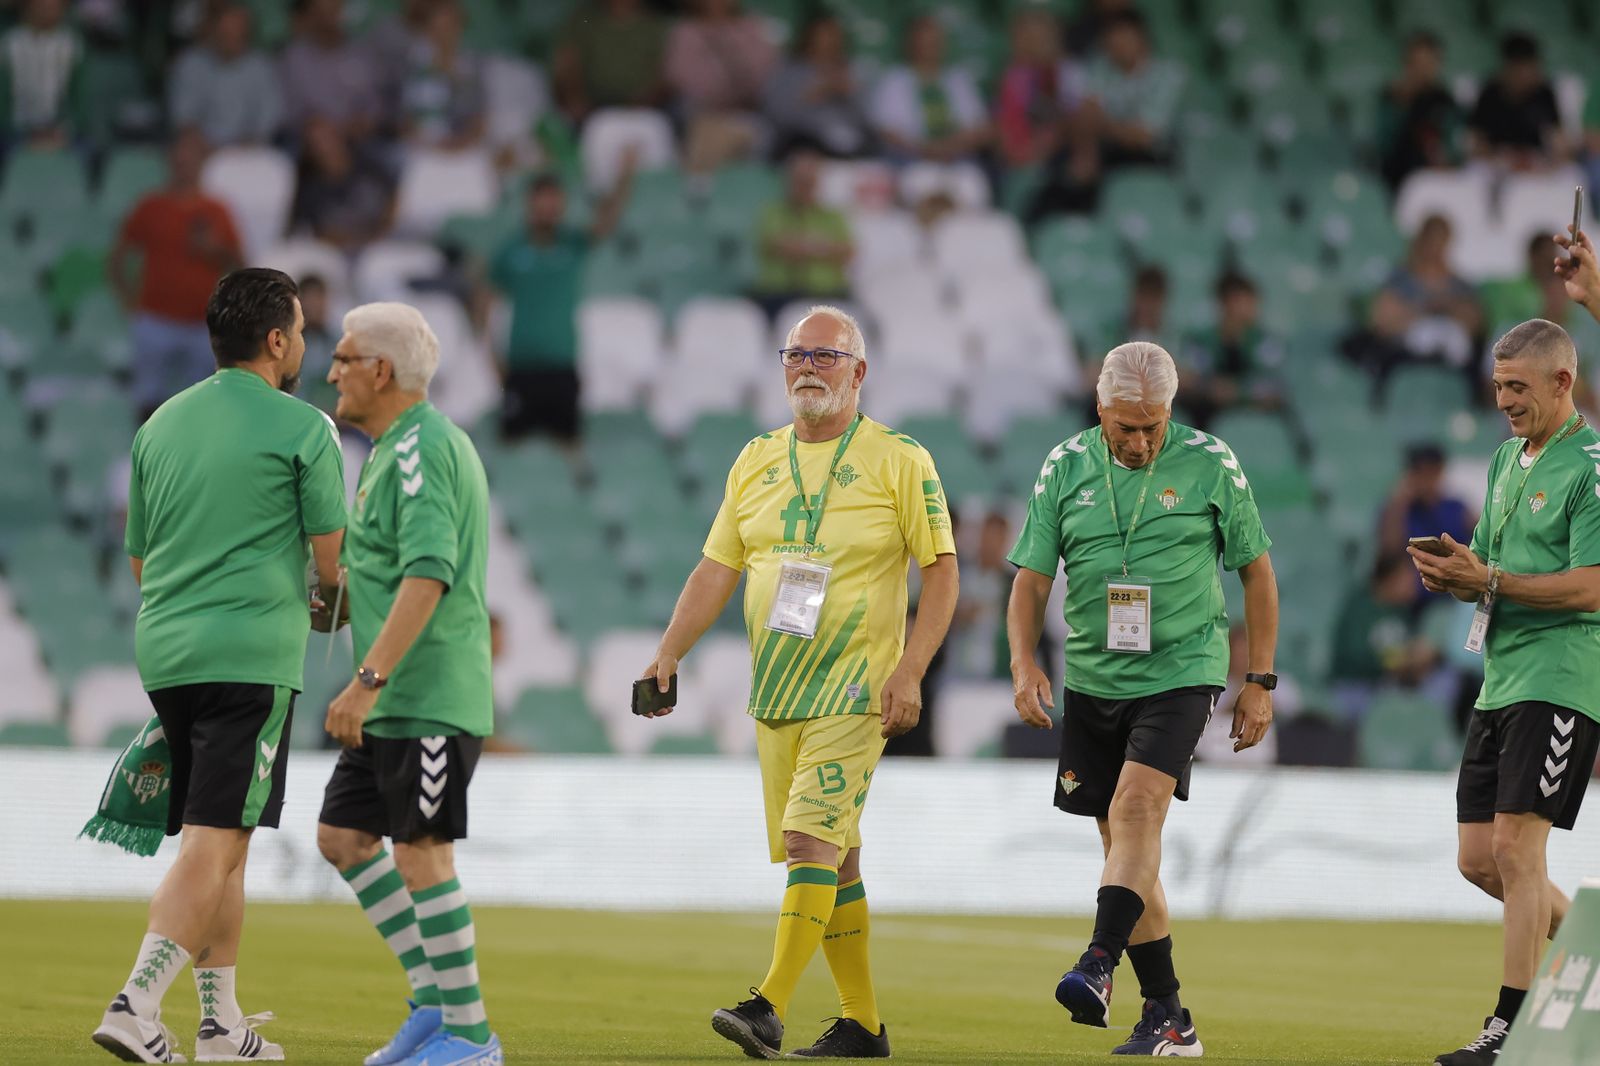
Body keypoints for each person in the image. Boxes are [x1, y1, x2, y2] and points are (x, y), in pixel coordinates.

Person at [639, 305, 958, 1059]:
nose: (809, 368)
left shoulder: (899, 458)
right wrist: (669, 651)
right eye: (796, 355)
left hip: (856, 689)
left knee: (809, 836)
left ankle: (768, 1005)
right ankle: (863, 1026)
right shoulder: (754, 459)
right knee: (837, 857)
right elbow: (718, 567)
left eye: (826, 355)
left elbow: (942, 573)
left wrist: (911, 669)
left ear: (860, 370)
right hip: (777, 692)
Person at [92, 268, 347, 1064]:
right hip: (252, 652)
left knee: (228, 839)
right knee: (214, 837)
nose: (307, 343)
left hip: (165, 647)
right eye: (302, 330)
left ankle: (220, 1025)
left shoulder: (159, 425)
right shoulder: (306, 429)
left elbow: (140, 560)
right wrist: (324, 609)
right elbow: (333, 572)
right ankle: (135, 1002)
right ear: (276, 341)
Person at [1005, 341, 1277, 1056]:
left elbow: (1257, 572)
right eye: (1126, 427)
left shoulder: (1211, 462)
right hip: (1093, 678)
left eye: (1153, 425)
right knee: (1123, 842)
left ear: (1170, 411)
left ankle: (1098, 964)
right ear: (1100, 411)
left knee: (1134, 812)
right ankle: (1169, 1015)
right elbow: (1031, 580)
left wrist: (1260, 680)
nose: (1140, 440)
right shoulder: (1066, 466)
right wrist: (1022, 660)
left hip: (1182, 671)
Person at [1408, 319, 1600, 1066]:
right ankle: (1589, 945)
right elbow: (1488, 563)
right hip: (1500, 682)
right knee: (1478, 860)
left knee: (1520, 850)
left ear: (1562, 382)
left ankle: (1509, 1028)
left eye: (1518, 387)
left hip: (1561, 679)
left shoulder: (1590, 465)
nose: (1504, 402)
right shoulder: (1502, 461)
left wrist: (1485, 580)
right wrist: (1457, 570)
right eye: (1497, 387)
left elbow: (1591, 585)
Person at [314, 301, 499, 1066]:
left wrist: (367, 679)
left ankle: (471, 1037)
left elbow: (430, 572)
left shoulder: (422, 451)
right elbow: (389, 577)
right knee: (344, 838)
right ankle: (434, 1005)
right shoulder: (393, 452)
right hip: (396, 699)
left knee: (422, 853)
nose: (331, 372)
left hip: (424, 694)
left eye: (344, 358)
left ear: (380, 371)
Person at [486, 153, 635, 443]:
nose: (548, 209)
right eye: (542, 201)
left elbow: (605, 224)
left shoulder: (572, 245)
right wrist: (493, 357)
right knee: (514, 447)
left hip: (562, 365)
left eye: (554, 201)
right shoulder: (510, 251)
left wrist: (624, 178)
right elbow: (489, 307)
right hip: (520, 367)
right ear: (530, 204)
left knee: (568, 443)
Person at [110, 129, 244, 421]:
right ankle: (147, 459)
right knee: (147, 402)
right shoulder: (151, 206)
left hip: (201, 324)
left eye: (191, 156)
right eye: (179, 156)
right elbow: (118, 258)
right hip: (154, 319)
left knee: (201, 406)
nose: (184, 162)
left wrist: (215, 250)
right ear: (170, 161)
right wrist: (129, 302)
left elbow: (240, 265)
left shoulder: (217, 210)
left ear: (201, 162)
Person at [664, 0, 777, 175]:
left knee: (765, 133)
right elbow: (680, 76)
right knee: (699, 129)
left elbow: (764, 72)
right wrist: (718, 95)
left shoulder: (751, 28)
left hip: (745, 111)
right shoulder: (686, 31)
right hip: (701, 112)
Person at [869, 14, 993, 166]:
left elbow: (981, 128)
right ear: (911, 44)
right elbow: (887, 132)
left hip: (959, 159)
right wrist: (926, 150)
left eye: (935, 41)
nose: (930, 47)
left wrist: (949, 148)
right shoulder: (894, 80)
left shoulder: (960, 80)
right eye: (924, 42)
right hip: (909, 160)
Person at [1365, 214, 1483, 373]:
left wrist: (1447, 307)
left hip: (1451, 361)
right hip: (1405, 357)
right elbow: (1381, 322)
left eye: (1440, 240)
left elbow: (1474, 323)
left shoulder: (1461, 286)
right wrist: (1420, 312)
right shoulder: (1399, 280)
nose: (1434, 247)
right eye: (1430, 239)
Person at [750, 151, 854, 320]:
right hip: (780, 294)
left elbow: (848, 252)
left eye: (809, 181)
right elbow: (779, 247)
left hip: (828, 293)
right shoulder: (772, 212)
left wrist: (804, 246)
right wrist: (823, 247)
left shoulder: (833, 216)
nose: (804, 187)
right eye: (799, 181)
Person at [167, 0, 284, 148]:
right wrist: (206, 146)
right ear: (214, 31)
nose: (231, 40)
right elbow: (184, 118)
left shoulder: (262, 67)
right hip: (202, 148)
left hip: (248, 150)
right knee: (185, 147)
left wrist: (243, 146)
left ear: (248, 36)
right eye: (225, 34)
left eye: (238, 35)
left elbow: (269, 120)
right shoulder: (190, 64)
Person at [1177, 270, 1285, 430]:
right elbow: (1186, 379)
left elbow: (1275, 385)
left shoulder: (1265, 343)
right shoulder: (1201, 340)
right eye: (1239, 301)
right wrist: (1211, 388)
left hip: (1252, 417)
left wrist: (1236, 391)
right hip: (1206, 416)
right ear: (1224, 304)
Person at [1080, 10, 1183, 171]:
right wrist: (1120, 130)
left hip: (1154, 157)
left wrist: (1105, 126)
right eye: (1113, 40)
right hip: (1108, 151)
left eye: (1125, 37)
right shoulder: (1100, 68)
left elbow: (1144, 136)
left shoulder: (1168, 75)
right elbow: (1087, 117)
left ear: (1142, 38)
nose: (1119, 45)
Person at [765, 14, 874, 159]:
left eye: (834, 36)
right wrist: (816, 92)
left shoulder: (852, 71)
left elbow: (868, 121)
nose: (830, 42)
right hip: (804, 142)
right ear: (809, 38)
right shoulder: (791, 71)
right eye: (824, 35)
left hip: (850, 146)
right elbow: (777, 116)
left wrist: (849, 94)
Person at [291, 116, 396, 254]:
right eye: (316, 143)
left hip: (381, 244)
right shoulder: (310, 189)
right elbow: (320, 234)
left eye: (328, 138)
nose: (325, 147)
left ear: (339, 136)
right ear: (309, 152)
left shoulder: (370, 167)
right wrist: (355, 242)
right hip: (337, 253)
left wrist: (382, 233)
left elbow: (394, 199)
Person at [551, 0, 668, 125]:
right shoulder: (585, 19)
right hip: (590, 108)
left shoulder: (656, 25)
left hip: (641, 109)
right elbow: (567, 62)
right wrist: (575, 99)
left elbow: (665, 77)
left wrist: (638, 107)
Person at [1378, 30, 1464, 192]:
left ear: (1437, 64)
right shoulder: (1391, 98)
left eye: (1428, 62)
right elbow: (1382, 146)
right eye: (1416, 62)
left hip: (1440, 179)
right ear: (1406, 63)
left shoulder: (1445, 101)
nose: (1422, 70)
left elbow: (1455, 145)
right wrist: (1402, 106)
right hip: (1400, 180)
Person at [398, 0, 485, 151]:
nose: (445, 35)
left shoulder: (472, 67)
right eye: (438, 27)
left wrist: (460, 145)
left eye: (450, 26)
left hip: (464, 150)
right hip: (421, 150)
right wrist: (427, 144)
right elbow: (404, 121)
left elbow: (479, 120)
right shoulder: (411, 65)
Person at [1469, 32, 1564, 169]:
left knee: (1573, 183)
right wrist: (1499, 158)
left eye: (1532, 68)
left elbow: (1558, 138)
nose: (1527, 75)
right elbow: (1476, 139)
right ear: (1508, 67)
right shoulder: (1489, 94)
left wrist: (1551, 158)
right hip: (1496, 165)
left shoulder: (1544, 93)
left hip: (1536, 164)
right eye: (1521, 69)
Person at [1378, 443, 1476, 572]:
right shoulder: (1399, 511)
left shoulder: (1456, 508)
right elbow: (1389, 551)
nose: (1426, 480)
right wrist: (1400, 502)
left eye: (1431, 472)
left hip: (1454, 583)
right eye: (1420, 472)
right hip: (1417, 586)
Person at [0, 0, 85, 147]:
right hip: (16, 130)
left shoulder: (71, 43)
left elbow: (80, 99)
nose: (49, 12)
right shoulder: (9, 42)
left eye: (55, 7)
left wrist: (64, 131)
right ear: (28, 7)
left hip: (60, 131)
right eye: (43, 6)